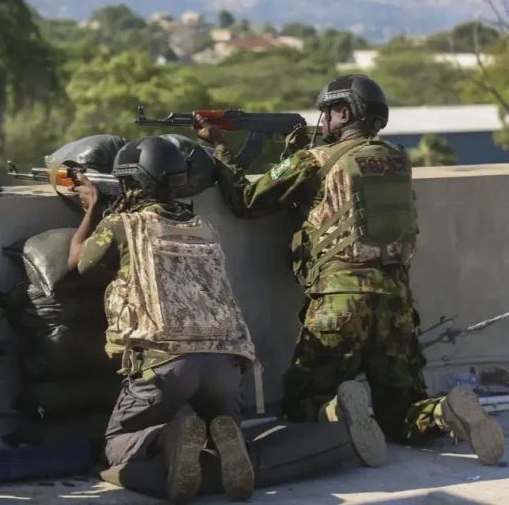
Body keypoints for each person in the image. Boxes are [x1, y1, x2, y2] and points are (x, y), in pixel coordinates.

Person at [194, 74, 505, 467]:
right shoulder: (397, 158)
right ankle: (445, 413)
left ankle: (338, 413)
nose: (321, 121)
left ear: (344, 112)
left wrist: (220, 148)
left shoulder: (314, 160)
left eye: (326, 113)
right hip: (396, 302)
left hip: (338, 300)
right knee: (400, 412)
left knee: (303, 402)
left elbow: (246, 200)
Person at [67, 136, 259, 503]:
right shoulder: (204, 226)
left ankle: (167, 438)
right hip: (225, 364)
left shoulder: (125, 224)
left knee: (117, 449)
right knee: (220, 422)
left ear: (132, 183)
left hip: (167, 364)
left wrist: (93, 209)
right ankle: (220, 439)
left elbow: (78, 263)